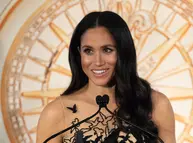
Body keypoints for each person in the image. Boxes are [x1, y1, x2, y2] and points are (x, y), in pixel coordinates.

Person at [36, 11, 176, 143]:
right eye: (88, 51)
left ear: (123, 51)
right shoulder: (56, 112)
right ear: (79, 53)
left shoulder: (156, 104)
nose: (98, 62)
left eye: (107, 50)